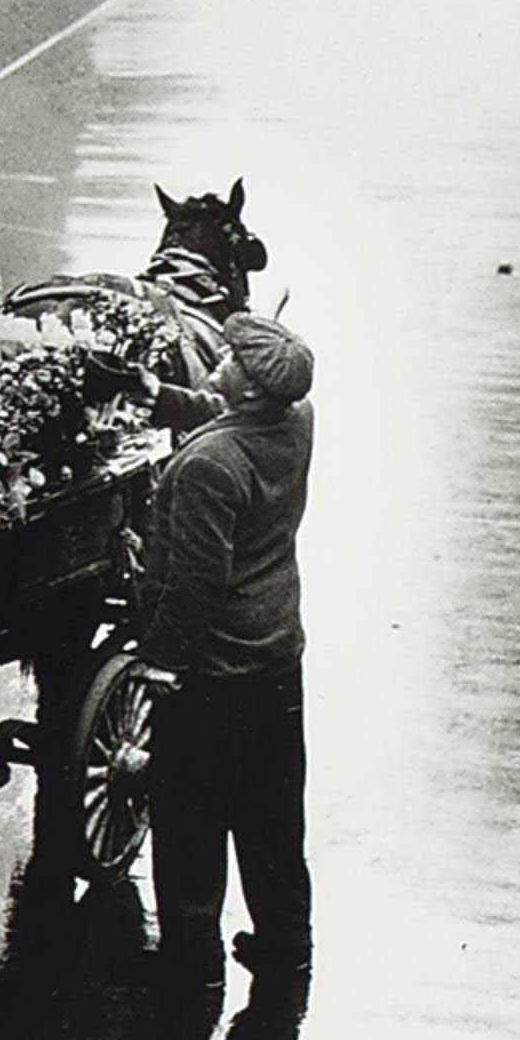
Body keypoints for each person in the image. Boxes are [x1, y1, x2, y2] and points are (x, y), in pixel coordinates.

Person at [125, 312, 316, 993]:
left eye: (231, 356)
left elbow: (195, 582)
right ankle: (288, 949)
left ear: (249, 384)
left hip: (214, 672)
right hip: (275, 656)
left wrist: (162, 661)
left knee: (190, 824)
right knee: (271, 818)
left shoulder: (208, 465)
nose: (221, 358)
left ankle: (191, 967)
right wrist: (157, 393)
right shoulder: (296, 422)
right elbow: (225, 412)